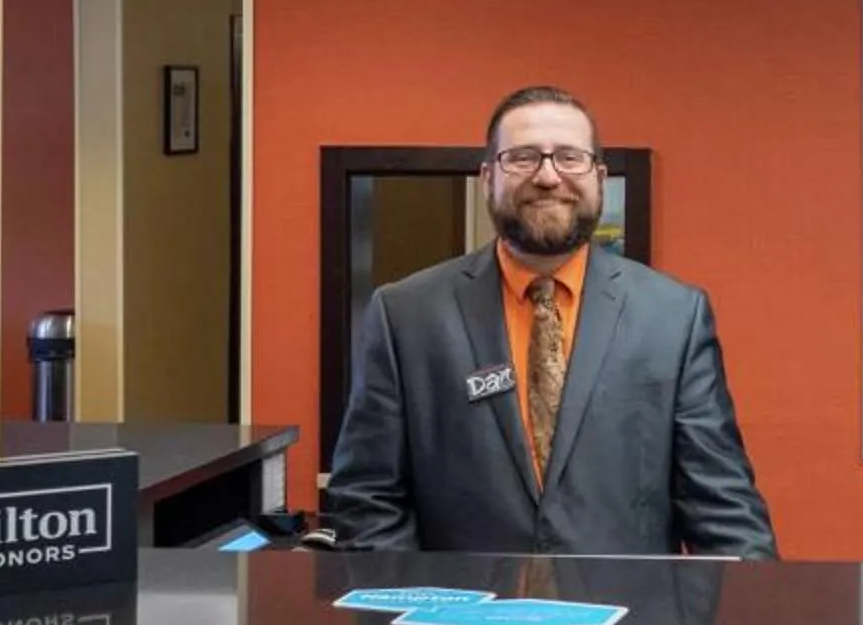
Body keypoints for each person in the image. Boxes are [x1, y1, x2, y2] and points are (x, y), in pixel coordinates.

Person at [323, 85, 776, 556]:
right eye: (521, 158)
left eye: (569, 157)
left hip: (630, 623)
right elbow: (367, 503)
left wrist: (744, 622)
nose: (547, 176)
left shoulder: (673, 318)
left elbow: (723, 511)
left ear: (599, 177)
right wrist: (421, 616)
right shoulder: (406, 316)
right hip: (458, 623)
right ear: (487, 178)